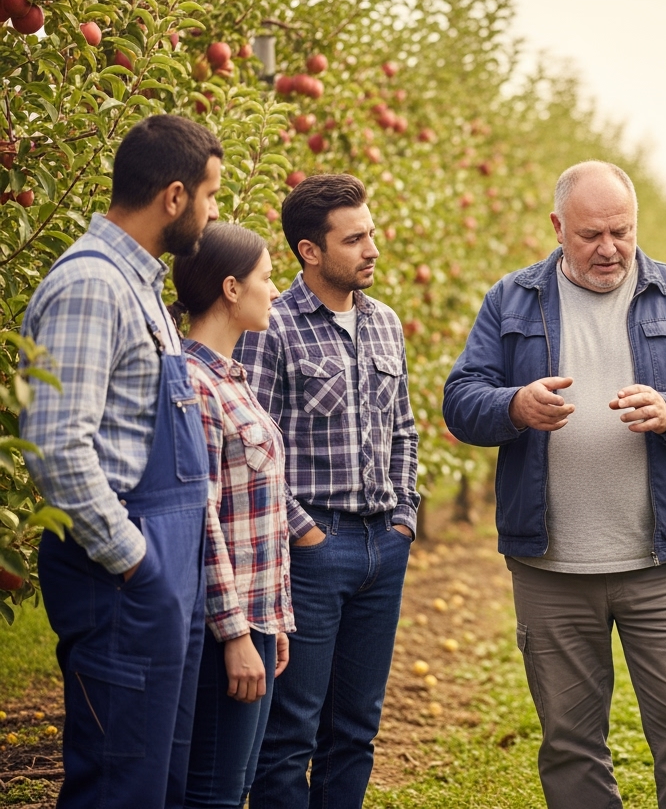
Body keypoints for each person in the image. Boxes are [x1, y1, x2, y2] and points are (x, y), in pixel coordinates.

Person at [443, 160, 666, 809]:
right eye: (591, 234)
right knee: (570, 745)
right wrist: (514, 406)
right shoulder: (512, 300)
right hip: (550, 567)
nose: (610, 248)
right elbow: (461, 400)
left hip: (663, 564)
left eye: (623, 231)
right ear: (558, 227)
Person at [21, 115, 223, 809]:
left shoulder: (140, 287)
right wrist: (136, 561)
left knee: (158, 775)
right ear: (174, 196)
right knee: (118, 780)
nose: (214, 211)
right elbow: (56, 445)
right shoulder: (91, 285)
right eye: (210, 195)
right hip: (122, 580)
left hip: (161, 574)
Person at [236, 174, 420, 809]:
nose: (372, 249)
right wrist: (304, 533)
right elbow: (254, 445)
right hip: (314, 550)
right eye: (355, 239)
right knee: (291, 732)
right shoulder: (273, 327)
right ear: (309, 251)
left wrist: (404, 516)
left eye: (371, 234)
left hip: (382, 548)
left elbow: (404, 429)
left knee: (357, 730)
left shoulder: (385, 323)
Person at [171, 223, 297, 809]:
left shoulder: (233, 378)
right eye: (267, 278)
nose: (276, 291)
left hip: (259, 619)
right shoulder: (196, 386)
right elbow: (204, 522)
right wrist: (237, 634)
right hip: (230, 626)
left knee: (237, 785)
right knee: (213, 793)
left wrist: (275, 622)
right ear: (230, 288)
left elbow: (261, 516)